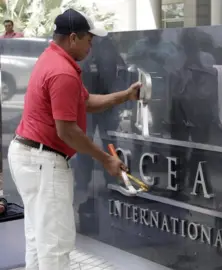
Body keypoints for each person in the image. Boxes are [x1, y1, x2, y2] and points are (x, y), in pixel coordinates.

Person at [6, 8, 141, 270]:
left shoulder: (52, 59)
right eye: (88, 40)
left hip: (30, 157)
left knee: (39, 240)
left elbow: (86, 102)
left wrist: (125, 95)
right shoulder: (63, 72)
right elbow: (67, 131)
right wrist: (105, 160)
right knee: (56, 245)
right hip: (44, 162)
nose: (91, 46)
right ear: (72, 38)